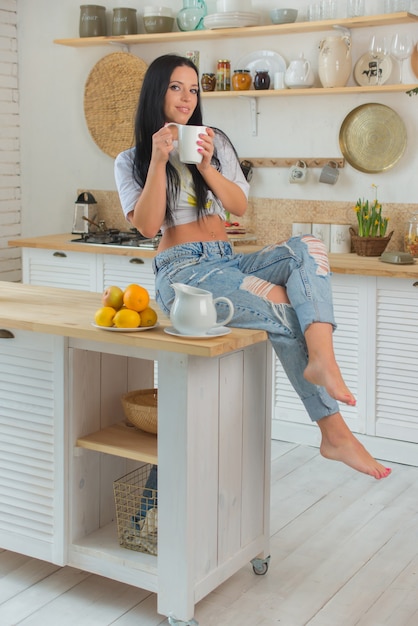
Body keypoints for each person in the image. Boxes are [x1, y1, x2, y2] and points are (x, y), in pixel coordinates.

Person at [115, 54, 391, 480]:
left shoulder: (215, 141)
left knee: (309, 248)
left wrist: (206, 167)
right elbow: (149, 226)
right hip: (182, 273)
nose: (187, 97)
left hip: (226, 260)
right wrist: (156, 161)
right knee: (281, 303)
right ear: (157, 91)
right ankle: (333, 432)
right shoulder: (130, 159)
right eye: (176, 87)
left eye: (193, 89)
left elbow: (239, 206)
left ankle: (322, 358)